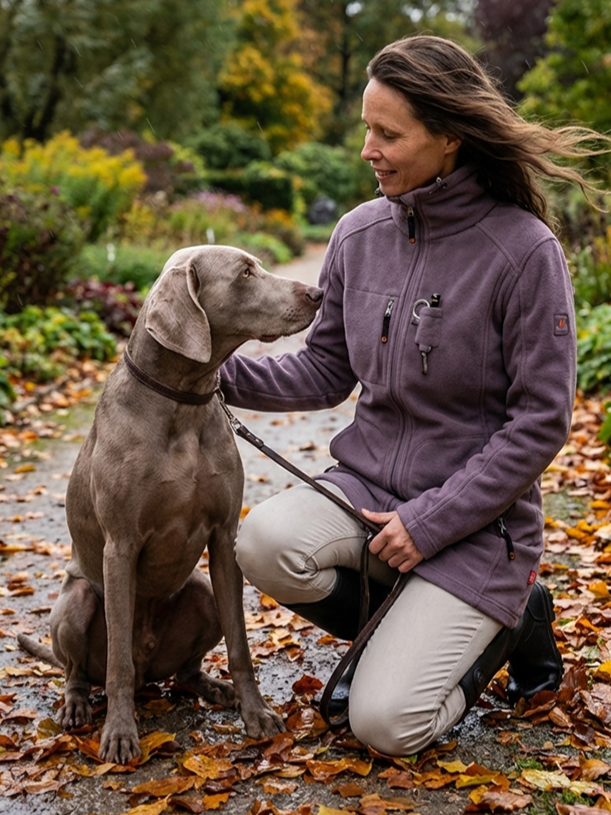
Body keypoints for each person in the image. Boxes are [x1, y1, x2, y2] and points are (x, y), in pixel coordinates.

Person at [220, 35, 610, 756]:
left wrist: (429, 523)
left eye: (389, 134)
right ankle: (403, 631)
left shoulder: (524, 251)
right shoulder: (358, 234)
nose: (367, 148)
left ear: (450, 136)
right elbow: (325, 370)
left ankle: (515, 617)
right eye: (366, 128)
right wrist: (213, 373)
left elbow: (539, 421)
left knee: (385, 725)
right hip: (366, 493)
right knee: (265, 542)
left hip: (475, 527)